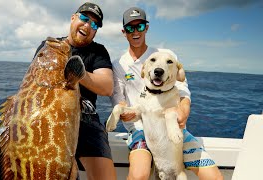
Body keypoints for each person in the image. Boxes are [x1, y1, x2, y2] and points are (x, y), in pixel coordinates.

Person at [110, 7, 223, 180]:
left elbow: (184, 92)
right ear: (123, 31)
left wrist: (182, 113)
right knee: (139, 175)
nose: (135, 32)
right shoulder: (119, 65)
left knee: (214, 177)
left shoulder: (167, 56)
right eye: (130, 28)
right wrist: (124, 112)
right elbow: (120, 100)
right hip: (141, 128)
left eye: (139, 26)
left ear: (146, 28)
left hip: (173, 128)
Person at [34, 2, 116, 180]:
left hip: (87, 120)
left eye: (94, 24)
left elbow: (107, 86)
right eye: (84, 19)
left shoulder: (98, 51)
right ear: (73, 18)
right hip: (49, 119)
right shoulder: (49, 46)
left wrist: (80, 74)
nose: (88, 25)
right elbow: (33, 86)